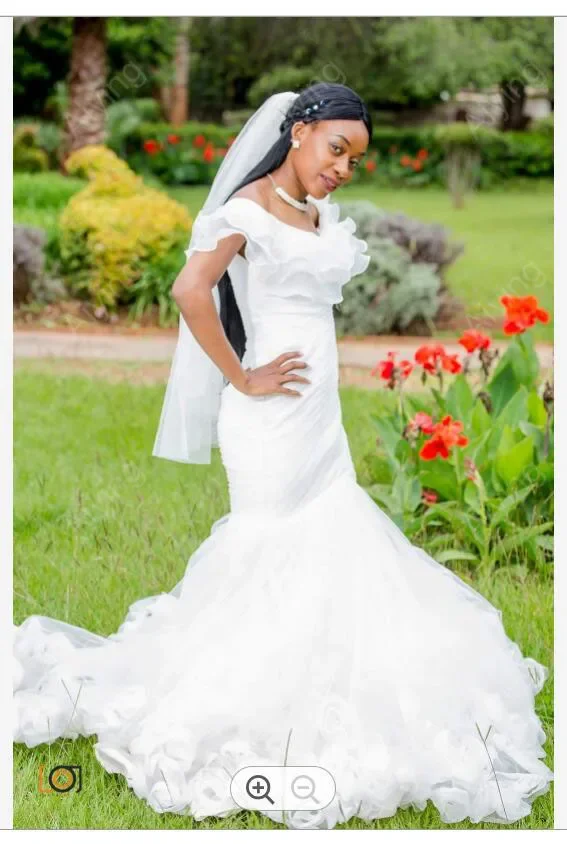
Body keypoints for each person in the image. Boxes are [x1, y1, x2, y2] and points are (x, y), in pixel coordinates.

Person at [13, 83, 553, 831]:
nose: (344, 168)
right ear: (298, 132)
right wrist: (241, 374)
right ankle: (250, 698)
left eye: (355, 159)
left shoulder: (317, 213)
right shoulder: (246, 208)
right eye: (337, 149)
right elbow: (189, 288)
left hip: (317, 420)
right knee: (269, 546)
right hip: (266, 417)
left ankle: (331, 680)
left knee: (330, 542)